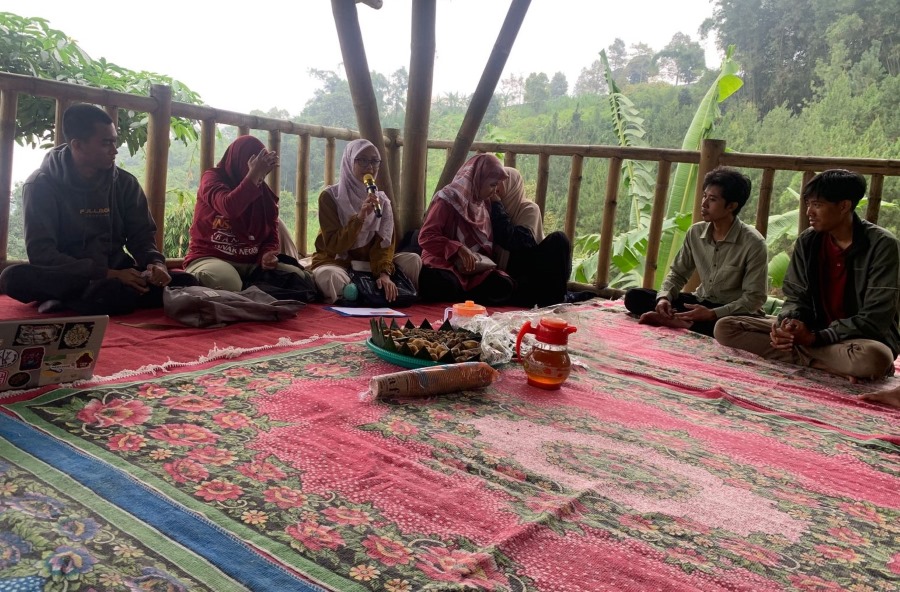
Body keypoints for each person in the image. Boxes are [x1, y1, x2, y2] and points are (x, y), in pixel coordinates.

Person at [0, 103, 196, 315]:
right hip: (70, 276)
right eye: (106, 143)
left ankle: (74, 301)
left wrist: (155, 264)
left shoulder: (125, 183)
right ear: (77, 145)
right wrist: (105, 274)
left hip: (119, 273)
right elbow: (42, 253)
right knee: (12, 278)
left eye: (114, 141)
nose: (114, 150)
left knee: (187, 281)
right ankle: (102, 296)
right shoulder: (40, 185)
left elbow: (142, 237)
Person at [715, 169, 900, 382]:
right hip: (813, 330)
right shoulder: (808, 241)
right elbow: (795, 296)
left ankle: (812, 357)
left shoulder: (882, 245)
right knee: (726, 328)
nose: (809, 212)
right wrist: (790, 325)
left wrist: (816, 338)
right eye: (808, 204)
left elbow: (876, 317)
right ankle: (823, 364)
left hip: (857, 339)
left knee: (874, 359)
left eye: (817, 205)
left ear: (844, 206)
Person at [623, 167, 768, 336]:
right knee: (634, 297)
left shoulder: (753, 243)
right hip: (700, 301)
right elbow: (677, 274)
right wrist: (663, 299)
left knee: (728, 327)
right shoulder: (696, 232)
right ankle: (683, 320)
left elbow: (754, 299)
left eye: (712, 199)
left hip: (731, 311)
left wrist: (712, 314)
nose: (704, 203)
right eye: (704, 196)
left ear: (731, 206)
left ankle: (681, 322)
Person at [183, 135, 310, 292]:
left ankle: (248, 291)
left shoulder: (263, 193)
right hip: (210, 258)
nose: (261, 177)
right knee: (227, 282)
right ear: (239, 160)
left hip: (251, 265)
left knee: (299, 278)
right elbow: (229, 207)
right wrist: (253, 174)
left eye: (263, 171)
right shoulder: (212, 179)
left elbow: (271, 234)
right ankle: (247, 290)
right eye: (256, 168)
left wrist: (266, 255)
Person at [309, 139, 421, 304]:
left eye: (374, 161)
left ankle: (362, 293)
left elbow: (385, 246)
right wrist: (360, 218)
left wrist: (384, 274)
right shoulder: (330, 197)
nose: (370, 167)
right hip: (339, 263)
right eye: (362, 160)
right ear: (349, 162)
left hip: (370, 266)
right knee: (329, 276)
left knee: (413, 260)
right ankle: (372, 293)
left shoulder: (382, 201)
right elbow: (334, 246)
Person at [417, 154, 515, 305]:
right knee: (445, 284)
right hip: (444, 262)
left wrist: (474, 261)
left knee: (504, 284)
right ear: (477, 179)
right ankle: (464, 293)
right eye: (492, 185)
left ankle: (464, 293)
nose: (495, 191)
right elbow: (426, 236)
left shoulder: (483, 203)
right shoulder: (447, 200)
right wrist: (457, 249)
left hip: (472, 268)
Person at [492, 167, 572, 307]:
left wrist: (497, 205)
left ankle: (555, 299)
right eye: (493, 182)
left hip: (527, 276)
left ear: (512, 185)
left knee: (559, 239)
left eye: (500, 182)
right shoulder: (485, 207)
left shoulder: (529, 208)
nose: (495, 186)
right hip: (499, 278)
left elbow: (515, 241)